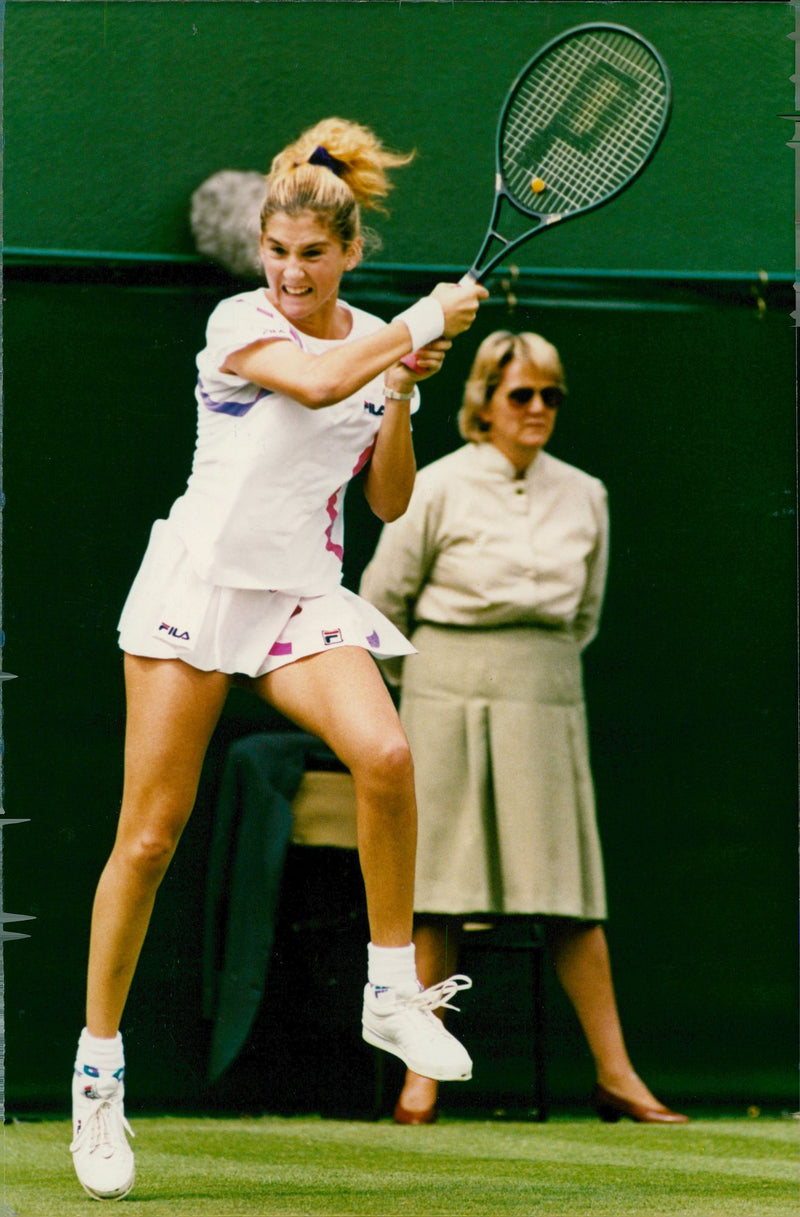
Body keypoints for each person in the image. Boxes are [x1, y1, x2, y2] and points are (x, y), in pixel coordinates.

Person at [69, 117, 488, 1201]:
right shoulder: (235, 323)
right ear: (261, 251)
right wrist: (415, 326)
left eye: (313, 254)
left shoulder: (371, 345)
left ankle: (389, 989)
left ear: (347, 254)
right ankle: (100, 1071)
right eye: (278, 251)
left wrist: (398, 384)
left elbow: (388, 496)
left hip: (298, 592)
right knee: (151, 835)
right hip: (197, 586)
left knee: (386, 756)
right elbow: (309, 385)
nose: (292, 272)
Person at [360, 330, 689, 1127]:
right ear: (483, 401)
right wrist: (432, 687)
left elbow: (583, 616)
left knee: (572, 898)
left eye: (551, 395)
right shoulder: (435, 486)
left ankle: (617, 1076)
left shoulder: (587, 493)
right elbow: (381, 600)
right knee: (435, 890)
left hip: (547, 697)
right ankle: (421, 1079)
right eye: (521, 394)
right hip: (442, 692)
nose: (537, 409)